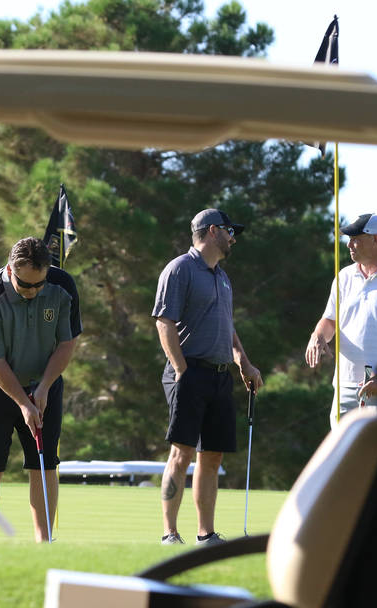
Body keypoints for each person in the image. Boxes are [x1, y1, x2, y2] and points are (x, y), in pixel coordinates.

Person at [152, 209, 263, 546]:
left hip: (219, 376)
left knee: (212, 456)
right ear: (213, 231)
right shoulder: (180, 269)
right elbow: (164, 323)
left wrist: (244, 362)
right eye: (230, 232)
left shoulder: (221, 276)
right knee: (181, 454)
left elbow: (226, 327)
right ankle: (169, 533)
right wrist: (182, 370)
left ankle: (206, 534)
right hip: (188, 372)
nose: (233, 238)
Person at [0, 237, 81, 542]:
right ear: (10, 269)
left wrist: (43, 387)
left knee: (43, 464)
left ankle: (44, 543)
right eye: (25, 284)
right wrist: (24, 403)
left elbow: (67, 342)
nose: (32, 292)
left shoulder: (62, 286)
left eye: (39, 285)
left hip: (44, 378)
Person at [305, 213, 377, 427]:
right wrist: (318, 336)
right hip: (344, 388)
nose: (349, 245)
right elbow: (330, 321)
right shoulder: (344, 277)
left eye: (356, 238)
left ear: (376, 239)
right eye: (349, 239)